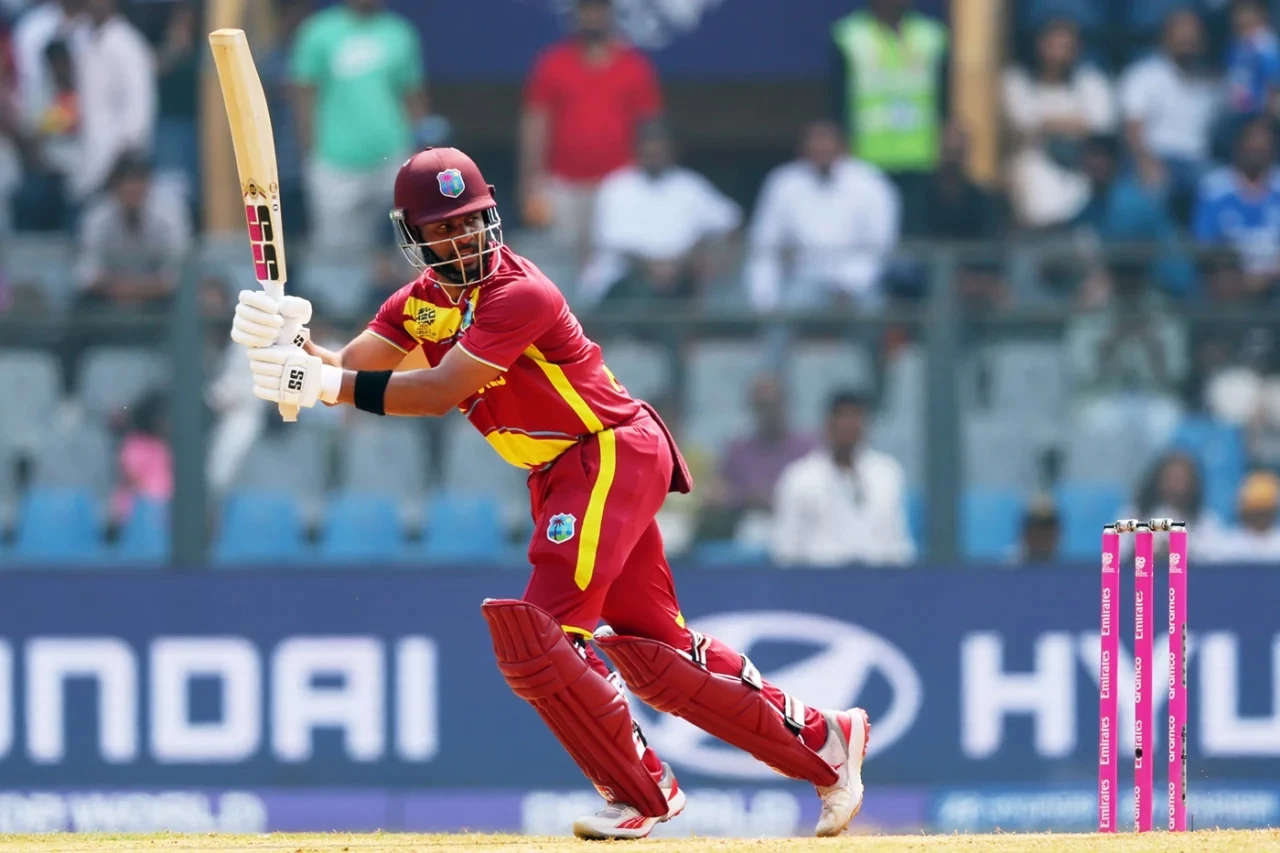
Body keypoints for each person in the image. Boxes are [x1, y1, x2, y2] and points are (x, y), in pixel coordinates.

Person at [228, 146, 869, 840]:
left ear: (491, 215)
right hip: (565, 471)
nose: (462, 239)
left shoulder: (520, 293)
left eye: (470, 221)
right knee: (657, 656)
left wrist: (319, 381)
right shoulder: (419, 303)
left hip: (607, 452)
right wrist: (288, 346)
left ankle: (641, 792)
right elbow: (347, 371)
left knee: (543, 638)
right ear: (414, 236)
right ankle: (826, 743)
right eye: (443, 229)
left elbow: (440, 390)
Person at [770, 390, 915, 567]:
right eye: (841, 417)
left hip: (879, 576)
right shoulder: (799, 478)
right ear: (828, 424)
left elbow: (899, 543)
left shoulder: (887, 474)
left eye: (855, 417)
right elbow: (786, 548)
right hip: (819, 577)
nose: (848, 425)